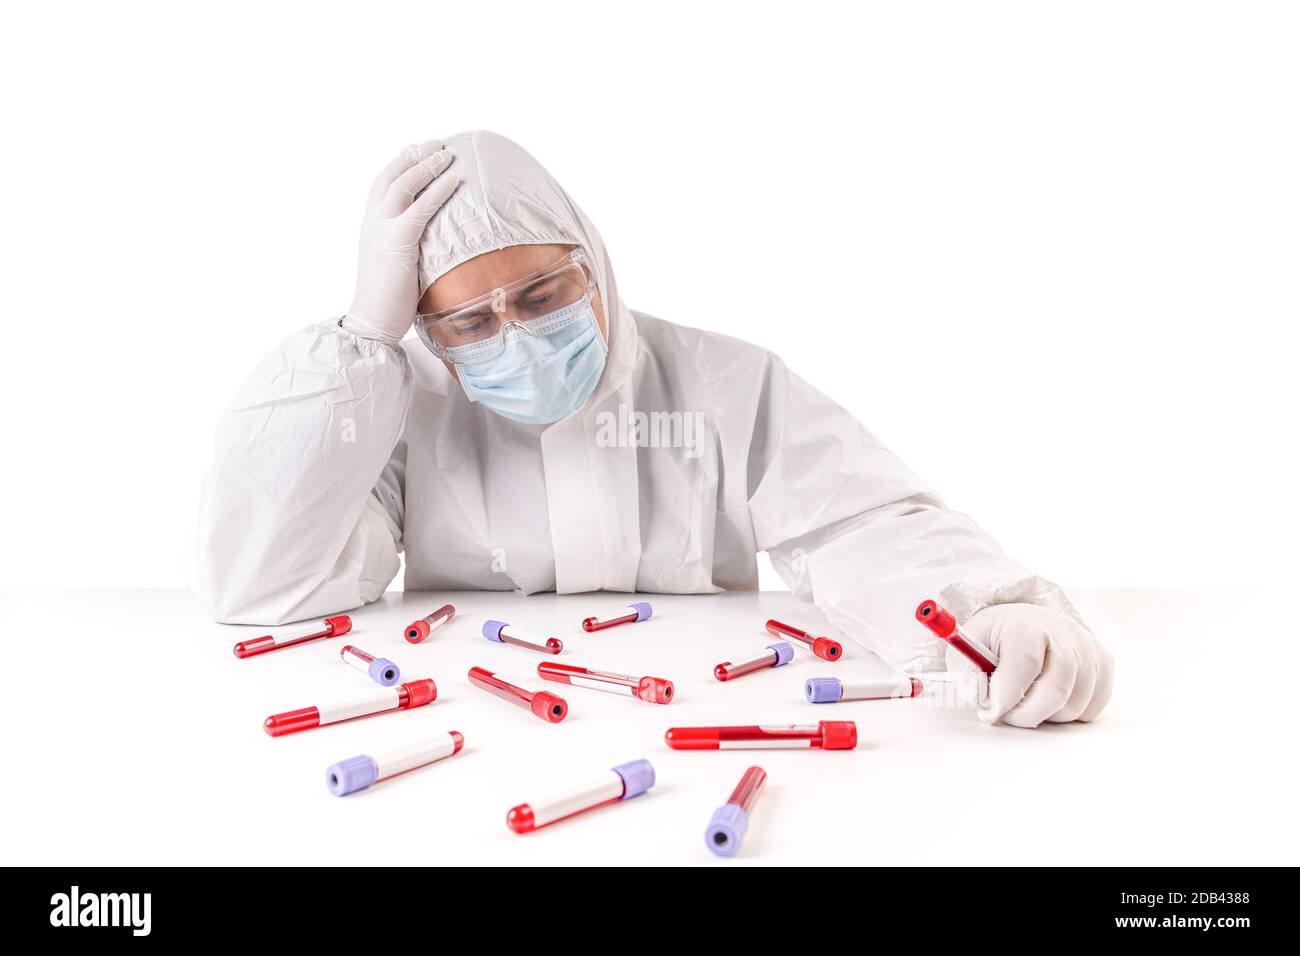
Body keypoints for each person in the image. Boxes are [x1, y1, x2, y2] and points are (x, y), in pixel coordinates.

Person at [195, 130, 1112, 728]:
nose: (516, 336)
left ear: (592, 262)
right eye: (470, 324)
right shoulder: (405, 413)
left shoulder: (725, 382)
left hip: (710, 711)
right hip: (475, 729)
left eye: (544, 293)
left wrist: (990, 610)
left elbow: (858, 523)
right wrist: (360, 342)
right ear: (427, 332)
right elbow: (264, 579)